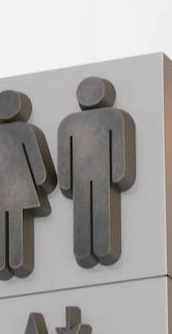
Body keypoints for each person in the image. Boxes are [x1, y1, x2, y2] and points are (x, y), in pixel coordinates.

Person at [0, 90, 56, 280]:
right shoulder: (26, 131)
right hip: (21, 192)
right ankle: (16, 262)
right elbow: (40, 171)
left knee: (0, 230)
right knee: (16, 226)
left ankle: (1, 266)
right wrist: (43, 184)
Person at [56, 77, 135, 268]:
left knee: (87, 212)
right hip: (99, 176)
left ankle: (87, 251)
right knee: (96, 211)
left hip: (84, 178)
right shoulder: (112, 117)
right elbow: (66, 154)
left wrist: (66, 182)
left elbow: (66, 158)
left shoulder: (70, 122)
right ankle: (96, 249)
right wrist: (118, 174)